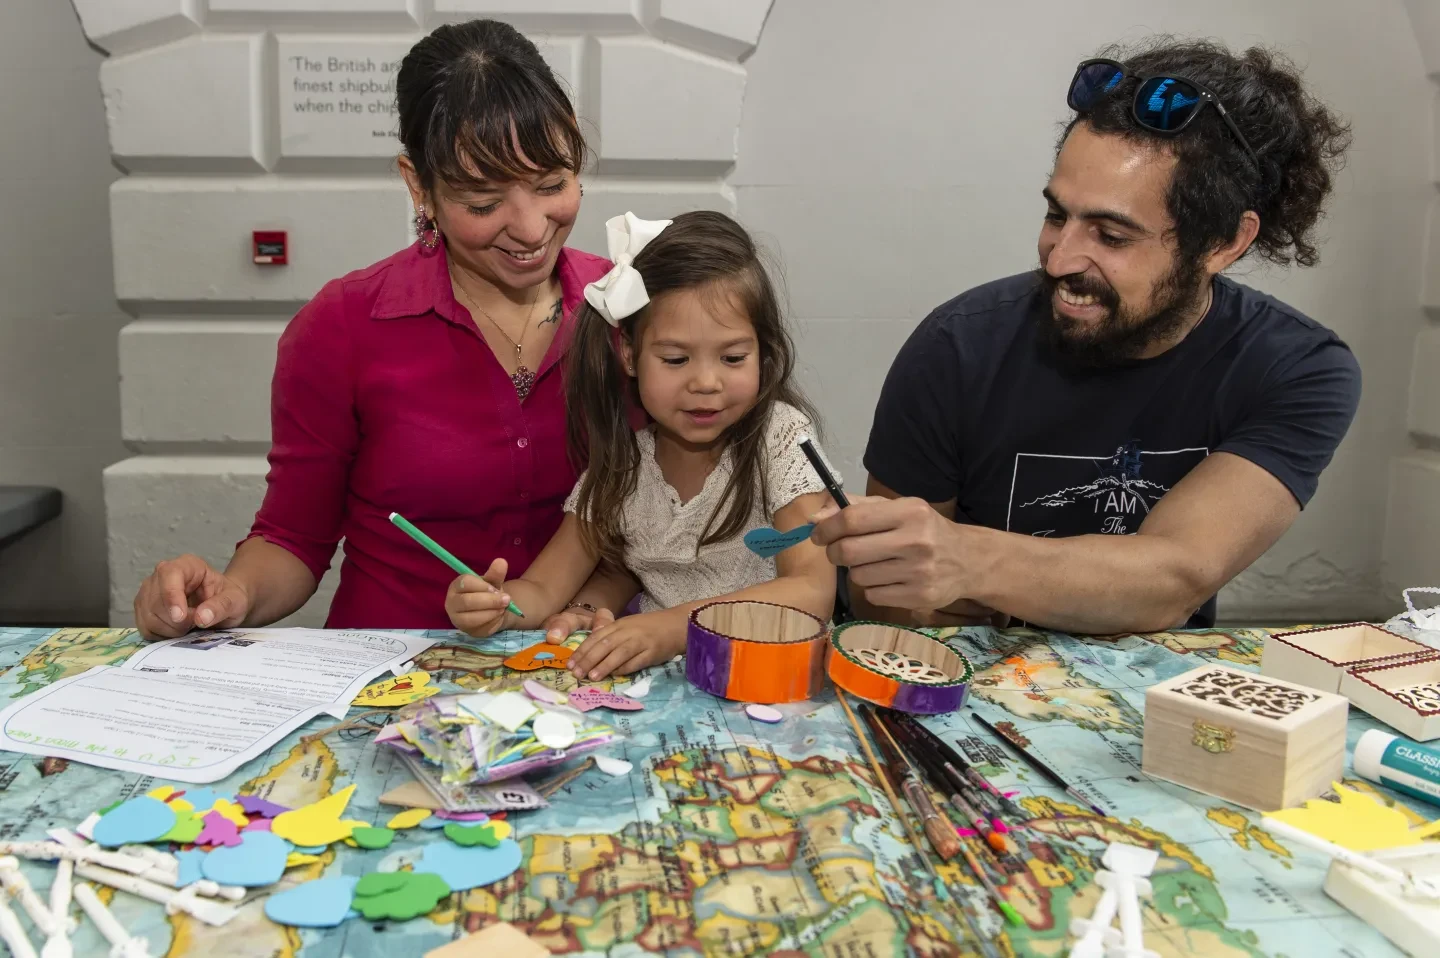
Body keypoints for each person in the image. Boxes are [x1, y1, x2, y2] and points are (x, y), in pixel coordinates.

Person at [812, 38, 1360, 634]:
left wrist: (968, 561)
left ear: (1225, 243)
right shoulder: (956, 348)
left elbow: (1173, 580)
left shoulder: (1296, 368)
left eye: (1112, 236)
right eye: (1056, 216)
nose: (1059, 259)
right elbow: (885, 602)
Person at [131, 20, 631, 637]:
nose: (531, 229)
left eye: (552, 185)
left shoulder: (629, 309)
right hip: (390, 678)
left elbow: (669, 507)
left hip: (586, 665)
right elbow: (293, 536)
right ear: (417, 184)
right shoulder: (342, 326)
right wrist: (231, 594)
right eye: (482, 203)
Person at [445, 211, 838, 679]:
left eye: (733, 357)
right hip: (666, 692)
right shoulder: (623, 468)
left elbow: (811, 589)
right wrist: (494, 607)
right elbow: (542, 590)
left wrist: (668, 629)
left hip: (775, 676)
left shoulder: (781, 437)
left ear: (763, 353)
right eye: (675, 358)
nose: (707, 382)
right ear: (630, 356)